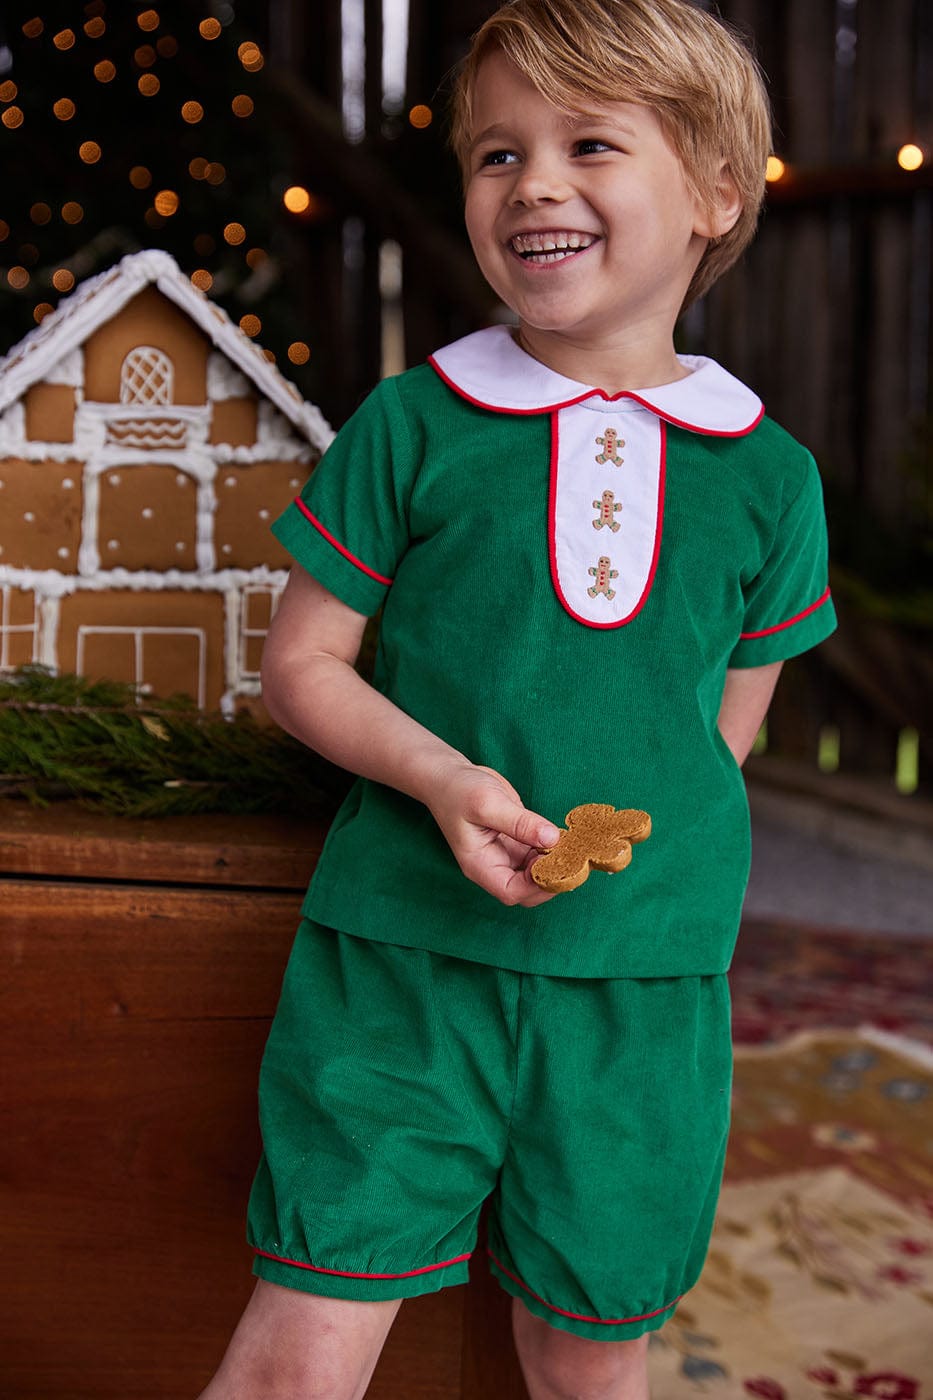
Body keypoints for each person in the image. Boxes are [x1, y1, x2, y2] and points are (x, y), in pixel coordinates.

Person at [199, 1, 836, 1396]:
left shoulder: (771, 478)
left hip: (639, 991)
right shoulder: (412, 426)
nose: (532, 182)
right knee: (303, 1336)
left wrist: (631, 860)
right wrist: (442, 780)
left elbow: (720, 728)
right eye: (495, 154)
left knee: (586, 1350)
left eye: (588, 143)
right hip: (399, 965)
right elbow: (300, 667)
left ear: (716, 195)